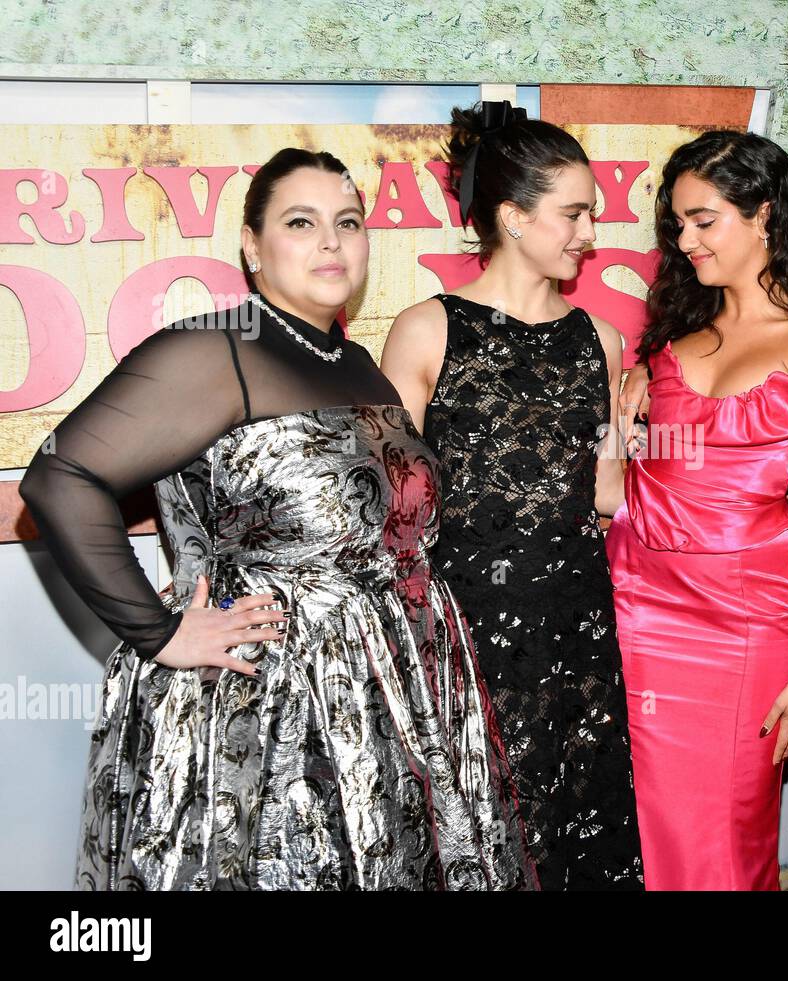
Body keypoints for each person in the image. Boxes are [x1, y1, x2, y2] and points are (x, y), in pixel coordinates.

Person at [20, 148, 534, 891]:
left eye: (348, 222)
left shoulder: (355, 360)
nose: (332, 241)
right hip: (267, 706)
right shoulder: (213, 348)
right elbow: (61, 478)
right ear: (253, 246)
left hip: (385, 689)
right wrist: (158, 633)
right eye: (302, 222)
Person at [381, 101, 642, 890]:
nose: (590, 232)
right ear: (512, 217)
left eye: (592, 213)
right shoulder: (427, 329)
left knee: (575, 832)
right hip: (467, 633)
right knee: (479, 834)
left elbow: (601, 498)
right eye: (573, 213)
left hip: (577, 625)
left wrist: (629, 446)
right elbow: (393, 512)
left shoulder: (598, 339)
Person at [605, 130, 788, 890]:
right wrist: (620, 429)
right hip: (645, 613)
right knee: (657, 830)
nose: (685, 240)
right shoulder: (666, 348)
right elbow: (622, 490)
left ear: (763, 216)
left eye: (703, 219)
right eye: (677, 225)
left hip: (751, 624)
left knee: (730, 831)